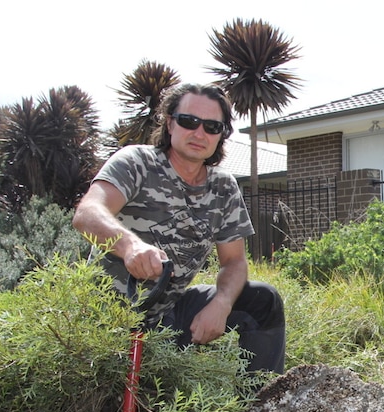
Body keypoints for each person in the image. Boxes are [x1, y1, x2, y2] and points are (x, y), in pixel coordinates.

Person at [73, 83, 285, 375]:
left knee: (263, 300)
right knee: (125, 411)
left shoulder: (223, 187)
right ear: (170, 122)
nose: (199, 133)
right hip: (108, 323)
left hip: (169, 315)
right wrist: (130, 247)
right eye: (189, 121)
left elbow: (234, 261)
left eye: (212, 126)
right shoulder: (137, 162)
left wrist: (222, 304)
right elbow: (87, 213)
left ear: (221, 135)